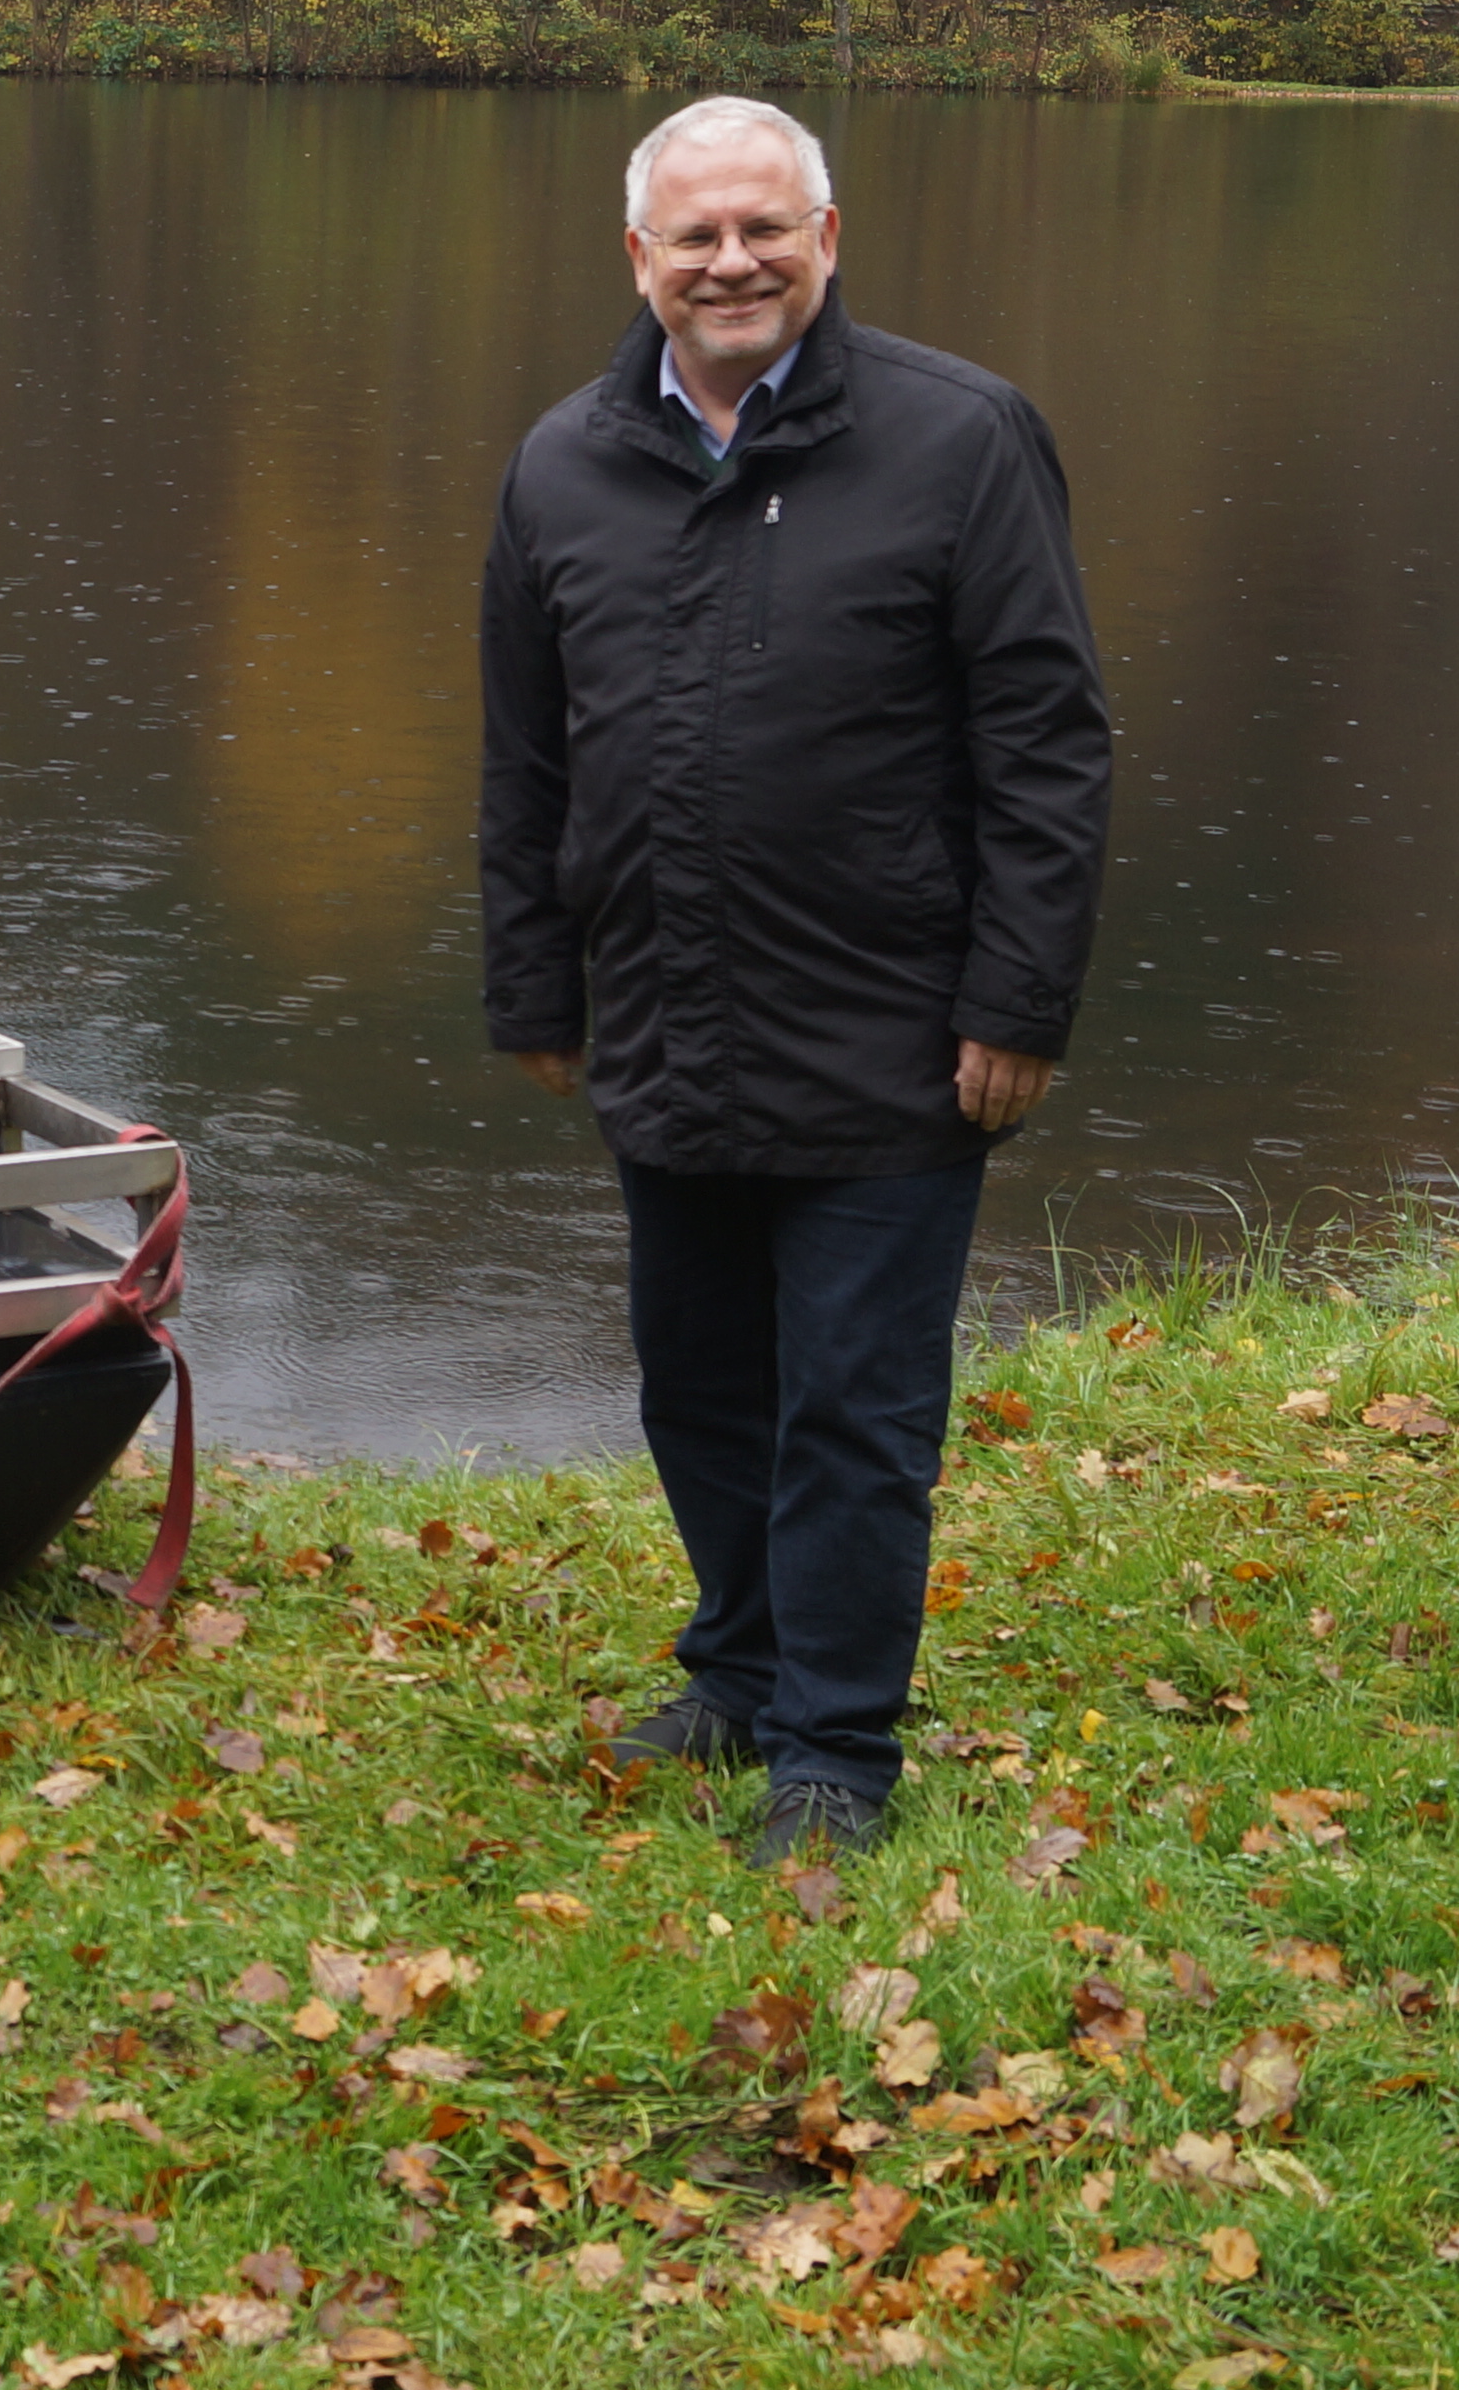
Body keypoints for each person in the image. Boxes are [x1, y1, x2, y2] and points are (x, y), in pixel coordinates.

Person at [475, 95, 1113, 1868]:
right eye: (698, 236)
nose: (733, 261)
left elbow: (1049, 747)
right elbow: (527, 755)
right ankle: (742, 1669)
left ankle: (835, 1748)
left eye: (767, 228)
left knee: (853, 1407)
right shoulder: (561, 464)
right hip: (665, 1019)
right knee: (697, 1385)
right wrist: (536, 985)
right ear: (642, 261)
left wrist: (1020, 1000)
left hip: (896, 1036)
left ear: (827, 239)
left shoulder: (963, 440)